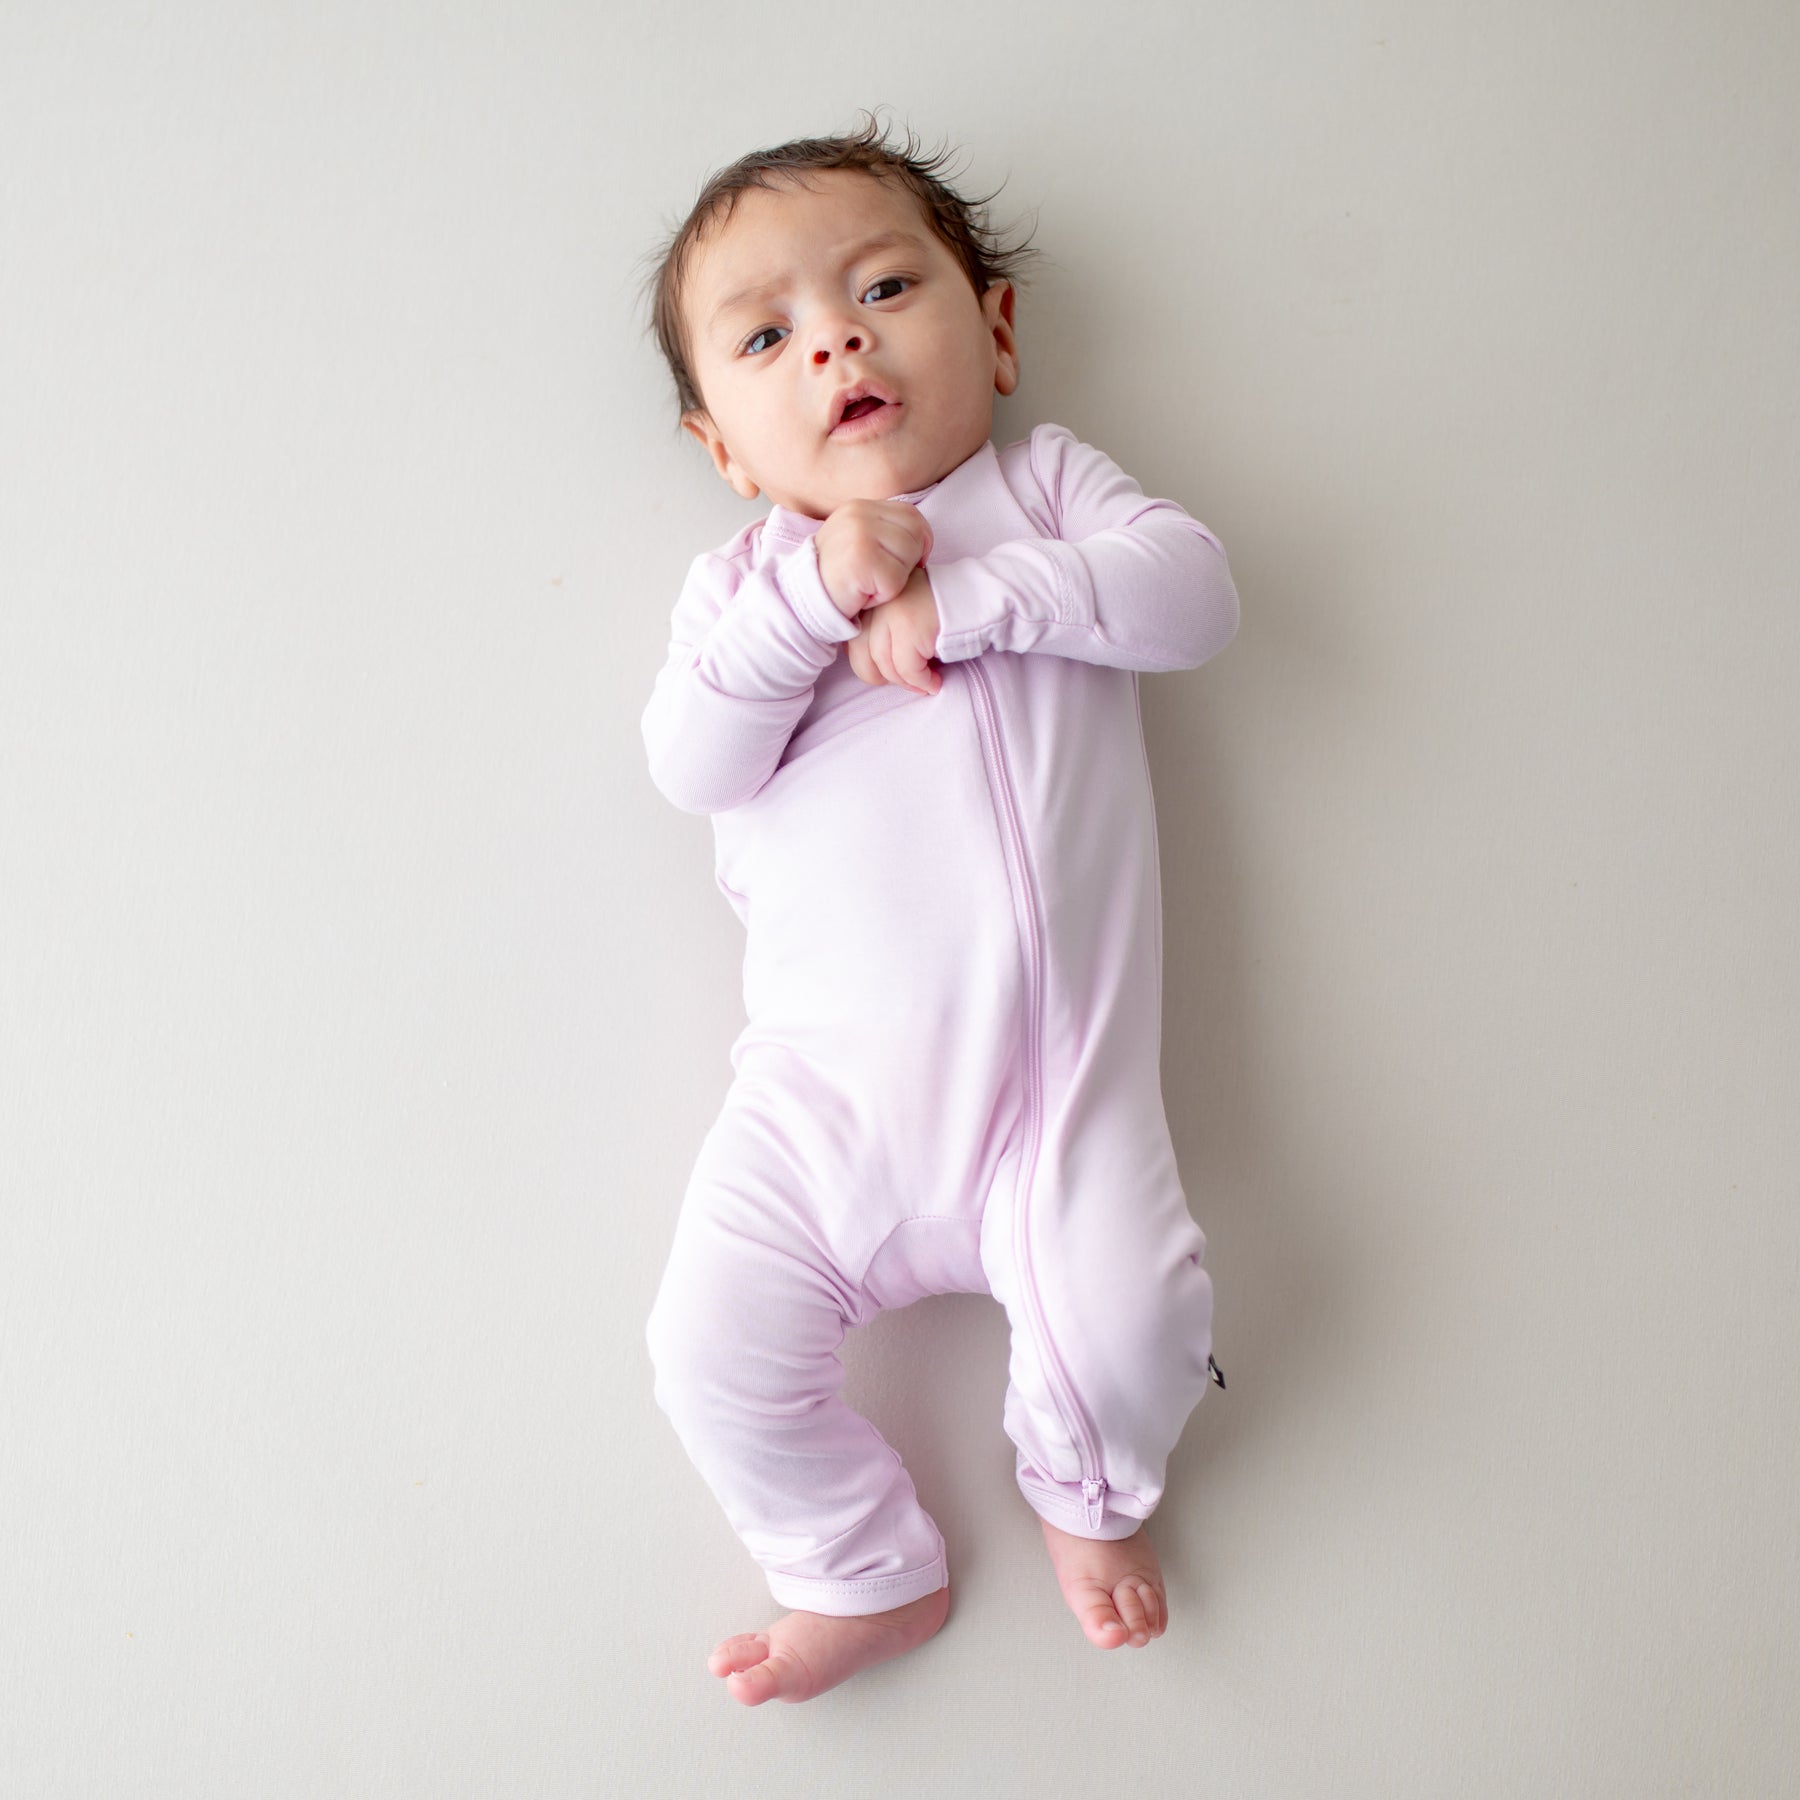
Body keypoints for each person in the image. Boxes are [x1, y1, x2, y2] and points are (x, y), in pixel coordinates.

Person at [636, 112, 1240, 1707]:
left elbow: (1195, 596)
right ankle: (858, 1565)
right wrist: (813, 598)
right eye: (768, 336)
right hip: (822, 1107)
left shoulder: (1048, 496)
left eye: (886, 287)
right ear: (724, 446)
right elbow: (693, 763)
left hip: (1056, 1101)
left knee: (1139, 1328)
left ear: (998, 327)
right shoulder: (738, 590)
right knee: (705, 1352)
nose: (836, 336)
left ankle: (1084, 1491)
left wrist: (972, 597)